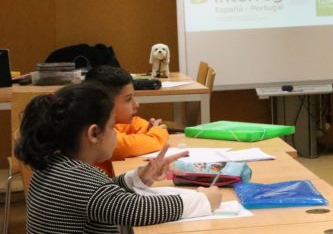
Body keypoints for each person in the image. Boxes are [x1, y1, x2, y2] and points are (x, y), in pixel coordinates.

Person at [14, 83, 221, 233]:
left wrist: (138, 178)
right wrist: (203, 200)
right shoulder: (78, 178)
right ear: (93, 134)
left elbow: (102, 195)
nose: (116, 134)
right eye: (113, 127)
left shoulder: (57, 166)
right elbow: (135, 210)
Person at [85, 65, 169, 176]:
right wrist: (157, 133)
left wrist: (148, 130)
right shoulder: (100, 136)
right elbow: (130, 145)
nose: (136, 104)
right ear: (105, 103)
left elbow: (134, 124)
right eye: (128, 99)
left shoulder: (103, 122)